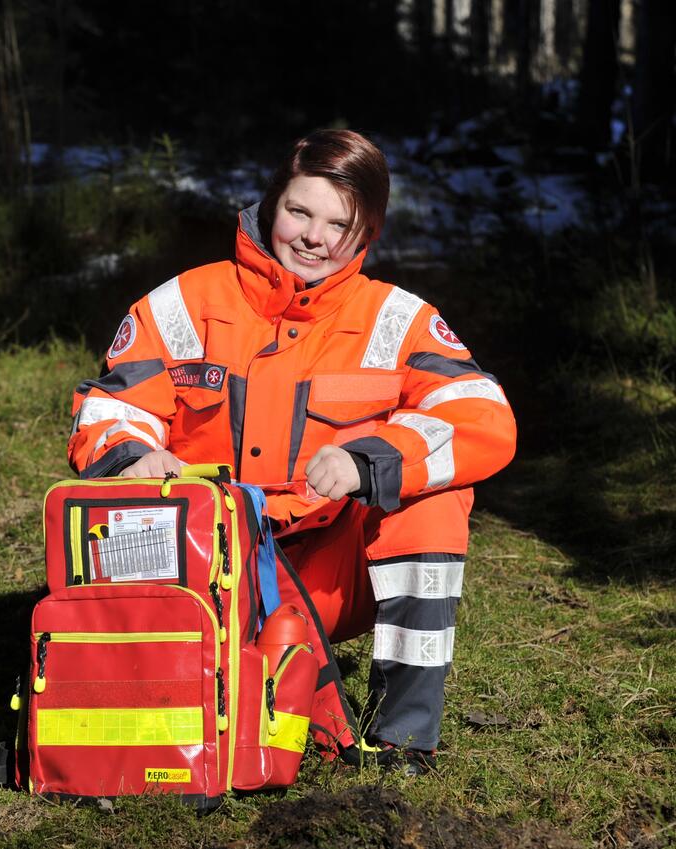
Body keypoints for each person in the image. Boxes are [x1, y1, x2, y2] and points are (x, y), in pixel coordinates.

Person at [67, 129, 516, 775]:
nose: (314, 237)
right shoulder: (184, 302)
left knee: (438, 496)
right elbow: (110, 404)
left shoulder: (398, 318)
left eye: (340, 223)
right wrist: (130, 453)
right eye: (300, 211)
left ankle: (403, 739)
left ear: (367, 235)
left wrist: (372, 457)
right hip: (205, 572)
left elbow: (483, 415)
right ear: (270, 203)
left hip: (333, 573)